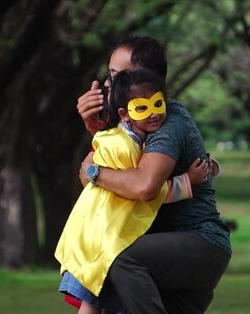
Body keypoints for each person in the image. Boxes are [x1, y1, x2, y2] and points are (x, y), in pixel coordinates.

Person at [77, 36, 231, 313]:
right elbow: (91, 182)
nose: (107, 85)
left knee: (120, 258)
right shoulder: (131, 124)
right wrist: (96, 131)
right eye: (109, 75)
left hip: (197, 242)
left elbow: (143, 186)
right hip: (158, 252)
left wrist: (95, 170)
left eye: (115, 75)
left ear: (143, 77)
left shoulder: (166, 121)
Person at [56, 69, 209, 314]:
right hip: (103, 236)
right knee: (93, 305)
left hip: (103, 231)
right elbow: (145, 190)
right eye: (142, 107)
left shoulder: (130, 140)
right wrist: (187, 181)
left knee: (100, 304)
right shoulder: (124, 147)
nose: (154, 113)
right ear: (124, 114)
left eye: (158, 104)